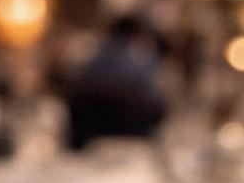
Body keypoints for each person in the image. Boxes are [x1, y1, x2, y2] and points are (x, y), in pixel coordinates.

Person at [61, 14, 167, 151]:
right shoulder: (143, 61)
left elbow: (74, 90)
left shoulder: (94, 57)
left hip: (89, 136)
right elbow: (155, 102)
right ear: (136, 35)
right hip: (133, 136)